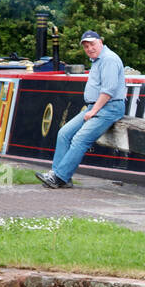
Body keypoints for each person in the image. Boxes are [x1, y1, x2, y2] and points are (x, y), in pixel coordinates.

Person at [37, 30, 126, 188]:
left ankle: (59, 177)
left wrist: (93, 111)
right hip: (96, 107)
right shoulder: (97, 60)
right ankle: (60, 176)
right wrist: (92, 109)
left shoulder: (109, 59)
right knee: (64, 133)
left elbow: (108, 91)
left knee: (80, 139)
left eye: (92, 44)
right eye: (86, 46)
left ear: (100, 42)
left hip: (109, 107)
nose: (89, 48)